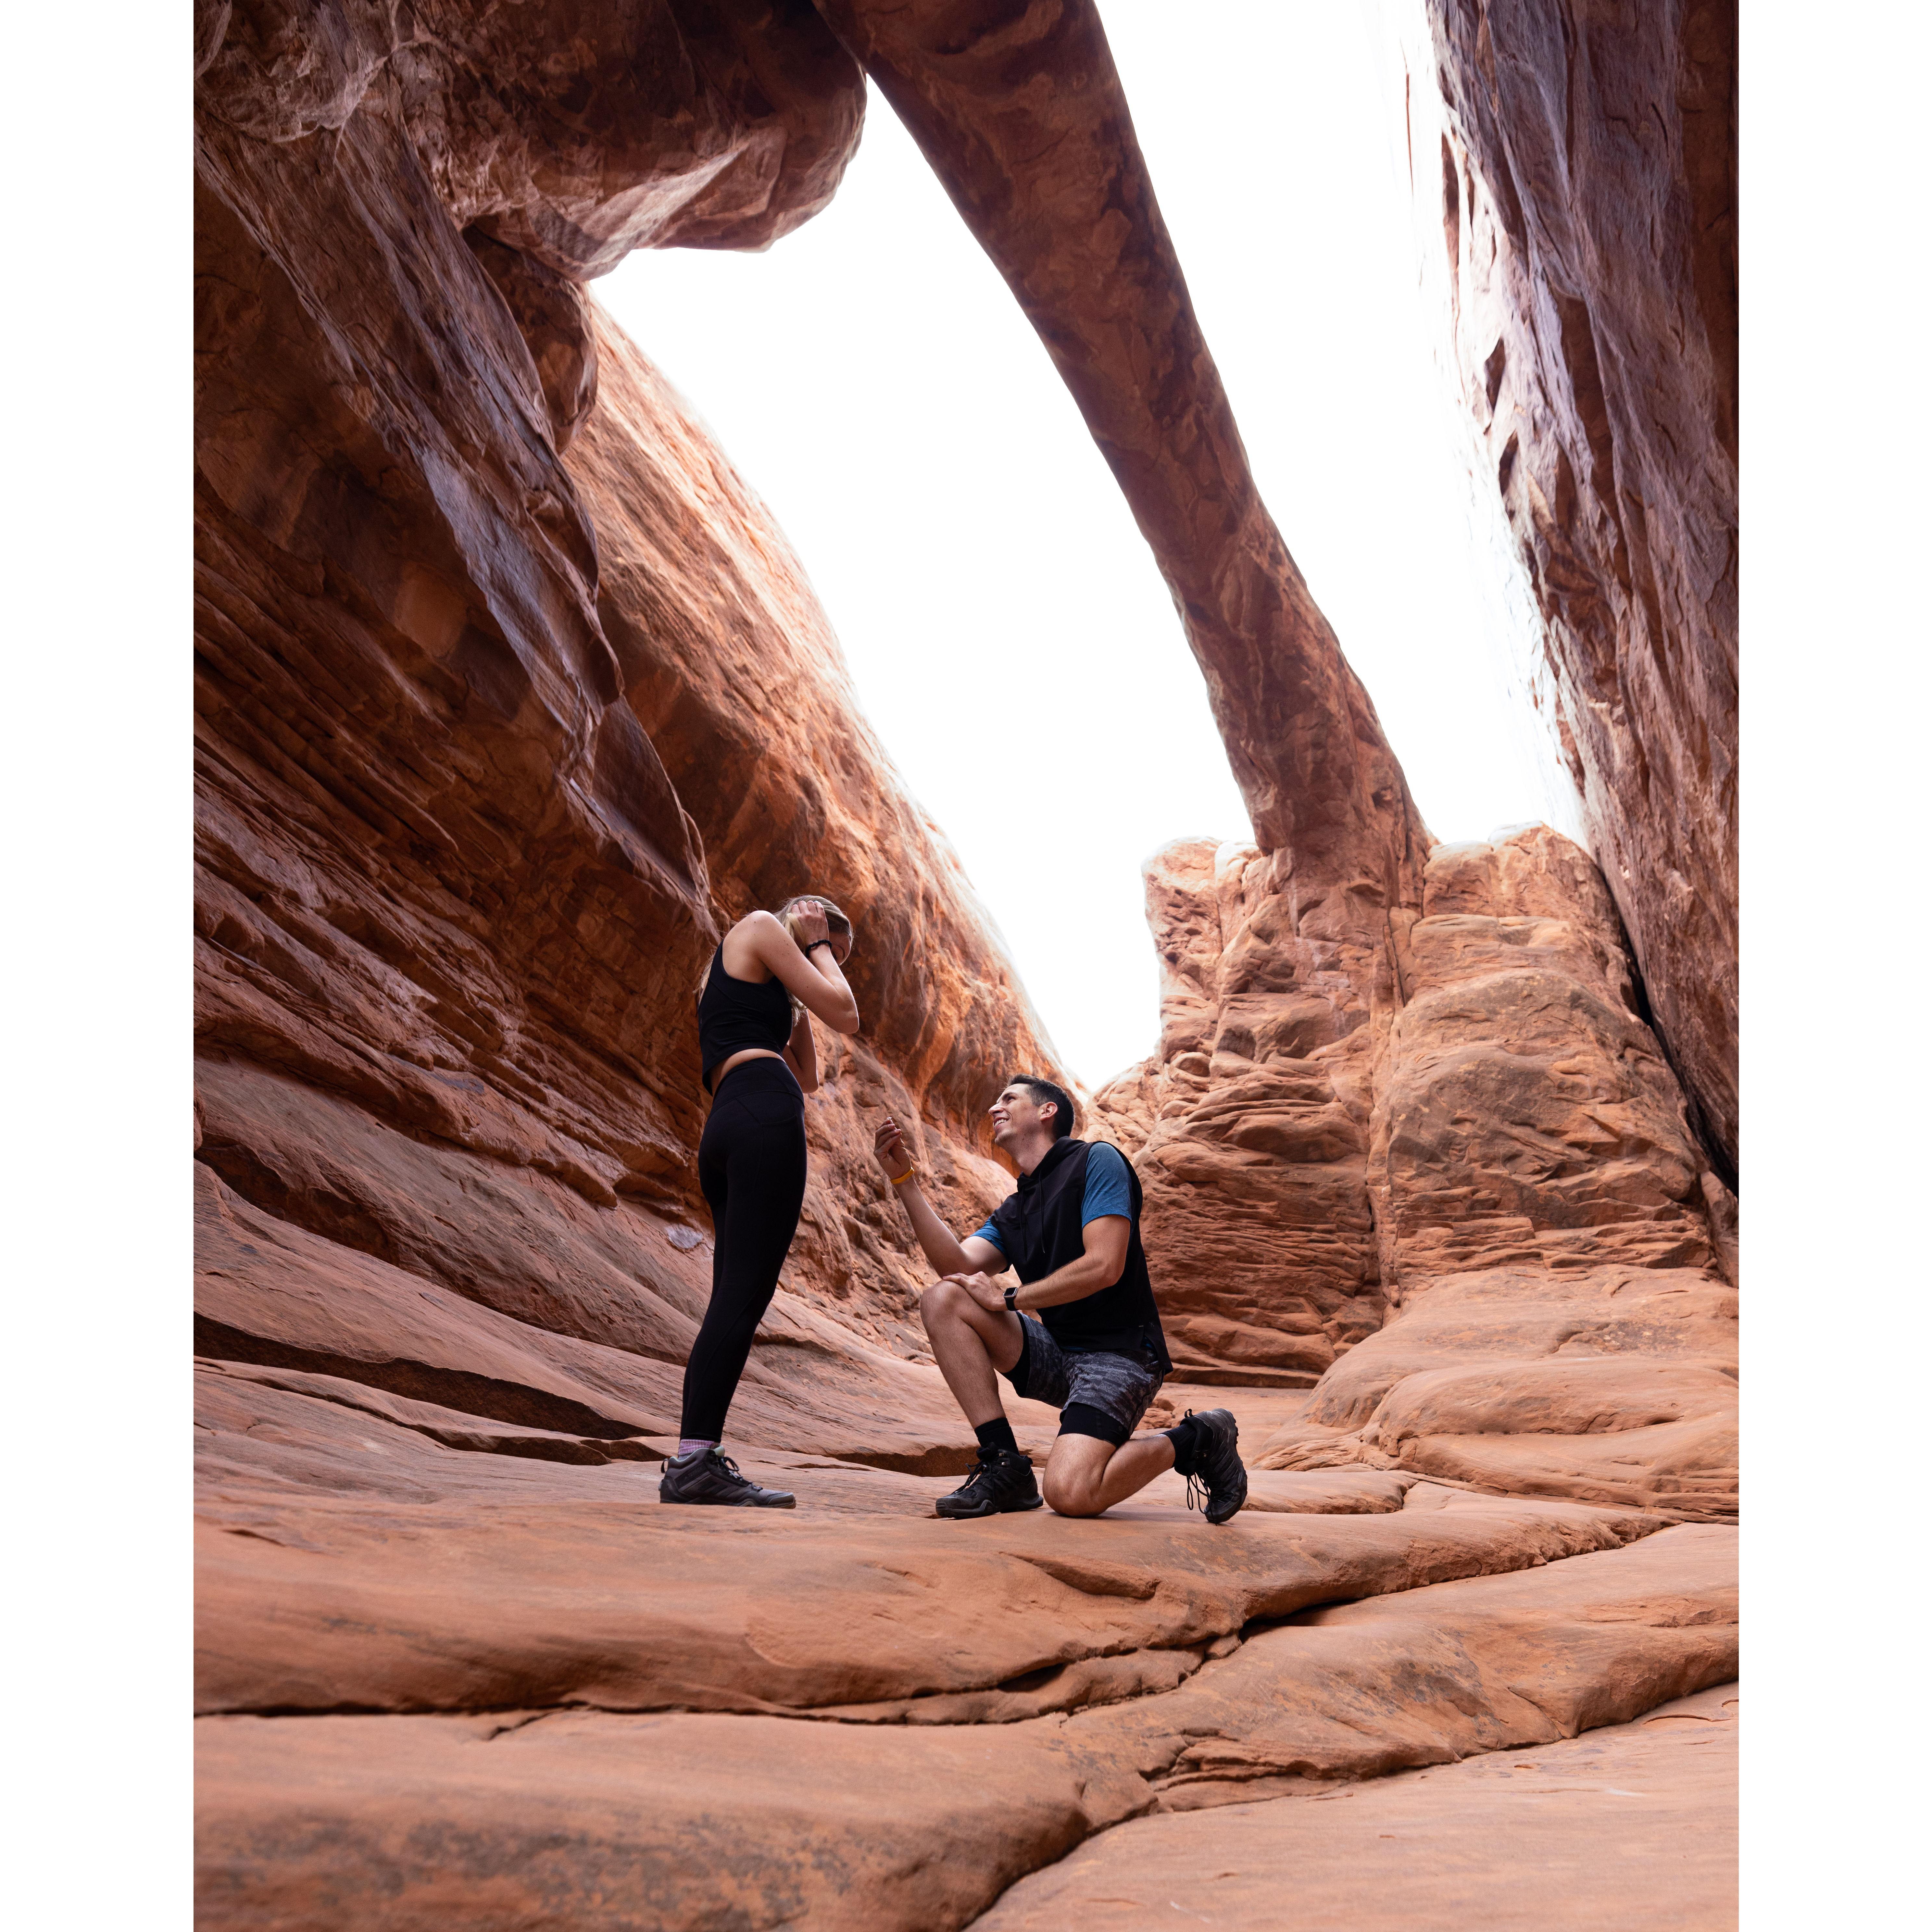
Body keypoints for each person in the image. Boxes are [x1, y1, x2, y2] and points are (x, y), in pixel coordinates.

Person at [873, 1075, 1248, 1523]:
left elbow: (1104, 1265)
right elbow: (956, 1264)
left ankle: (1199, 1436)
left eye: (1008, 1098)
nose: (995, 1108)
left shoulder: (1097, 1161)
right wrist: (903, 1180)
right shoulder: (1016, 1208)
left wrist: (1009, 1297)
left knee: (1070, 1492)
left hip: (1120, 1357)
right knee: (944, 1298)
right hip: (1060, 1354)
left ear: (1047, 1111)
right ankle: (1004, 1465)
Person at [660, 895, 860, 1507]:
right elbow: (847, 1012)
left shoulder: (748, 971)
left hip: (728, 1117)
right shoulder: (759, 927)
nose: (823, 959)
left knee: (732, 1295)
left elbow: (809, 1074)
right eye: (825, 943)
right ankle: (696, 1463)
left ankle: (696, 1455)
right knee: (743, 1296)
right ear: (805, 919)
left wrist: (795, 997)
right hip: (763, 1115)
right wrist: (819, 947)